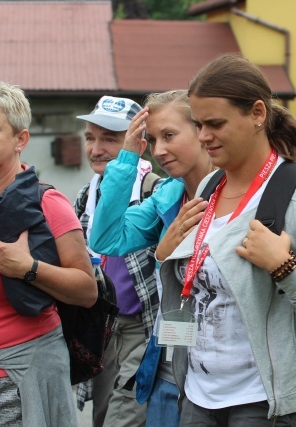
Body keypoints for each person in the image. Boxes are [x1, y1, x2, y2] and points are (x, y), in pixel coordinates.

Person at [158, 53, 296, 426]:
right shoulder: (209, 185)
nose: (204, 136)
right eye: (199, 124)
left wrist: (285, 269)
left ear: (257, 114)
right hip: (198, 397)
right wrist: (166, 256)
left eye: (215, 124)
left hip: (270, 404)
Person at [0, 80, 97, 426]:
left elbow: (86, 290)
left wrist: (27, 268)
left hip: (19, 375)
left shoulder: (47, 202)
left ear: (20, 140)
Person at [88, 90, 214, 426]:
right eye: (152, 139)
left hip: (226, 370)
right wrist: (127, 157)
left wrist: (165, 255)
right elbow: (105, 238)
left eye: (169, 136)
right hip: (171, 360)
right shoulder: (167, 196)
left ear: (202, 131)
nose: (159, 150)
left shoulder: (234, 193)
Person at [75, 96, 160, 426]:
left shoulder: (154, 190)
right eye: (90, 138)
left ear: (137, 142)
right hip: (103, 326)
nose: (96, 149)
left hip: (144, 326)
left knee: (124, 417)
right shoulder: (86, 194)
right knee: (102, 416)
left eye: (110, 139)